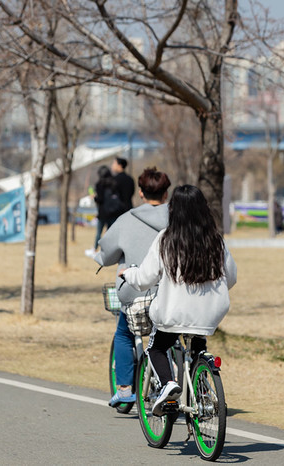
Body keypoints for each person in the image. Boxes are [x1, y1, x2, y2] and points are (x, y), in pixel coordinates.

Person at [120, 185, 237, 416]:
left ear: (173, 210)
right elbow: (231, 278)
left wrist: (126, 274)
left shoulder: (166, 239)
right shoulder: (215, 240)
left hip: (173, 313)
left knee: (156, 347)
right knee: (197, 342)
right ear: (204, 209)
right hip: (210, 314)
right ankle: (202, 390)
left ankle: (168, 384)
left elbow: (144, 279)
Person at [93, 167, 171, 407]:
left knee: (124, 333)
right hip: (170, 292)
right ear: (166, 194)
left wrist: (101, 258)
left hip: (136, 292)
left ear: (140, 192)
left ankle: (125, 388)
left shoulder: (127, 219)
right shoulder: (179, 217)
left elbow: (106, 254)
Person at [85, 165, 120, 258]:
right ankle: (106, 250)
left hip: (102, 213)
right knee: (109, 233)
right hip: (113, 212)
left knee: (99, 232)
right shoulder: (114, 183)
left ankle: (95, 249)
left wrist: (94, 197)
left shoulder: (99, 184)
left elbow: (99, 199)